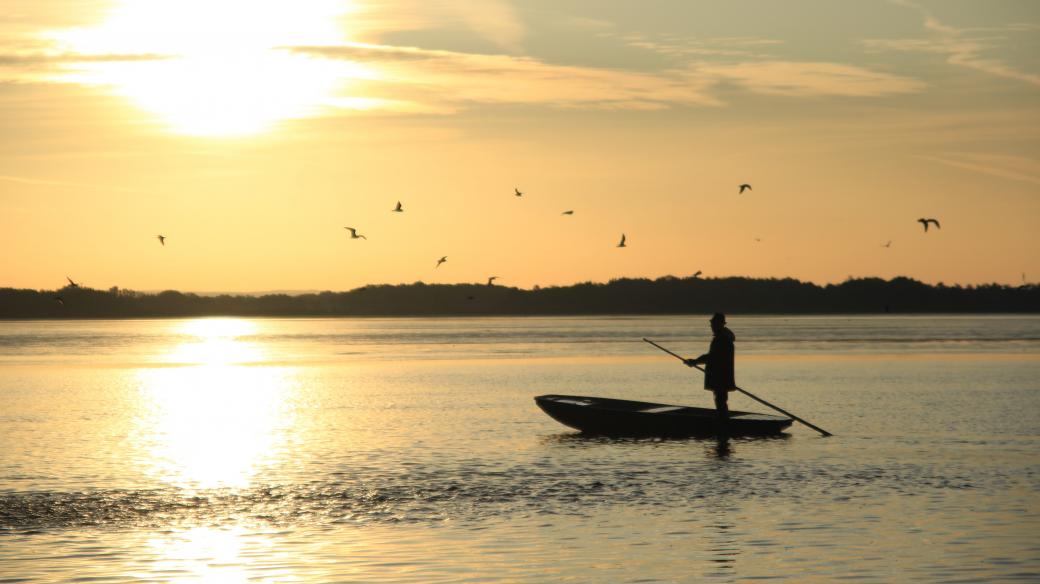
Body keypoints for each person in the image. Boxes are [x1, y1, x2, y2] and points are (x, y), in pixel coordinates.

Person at [684, 313, 736, 418]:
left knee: (720, 400)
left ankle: (723, 421)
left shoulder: (722, 339)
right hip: (722, 375)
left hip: (720, 375)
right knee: (720, 399)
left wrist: (695, 361)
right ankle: (723, 419)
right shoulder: (723, 337)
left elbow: (713, 357)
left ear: (720, 324)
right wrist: (695, 361)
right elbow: (713, 356)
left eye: (714, 324)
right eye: (712, 325)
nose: (712, 327)